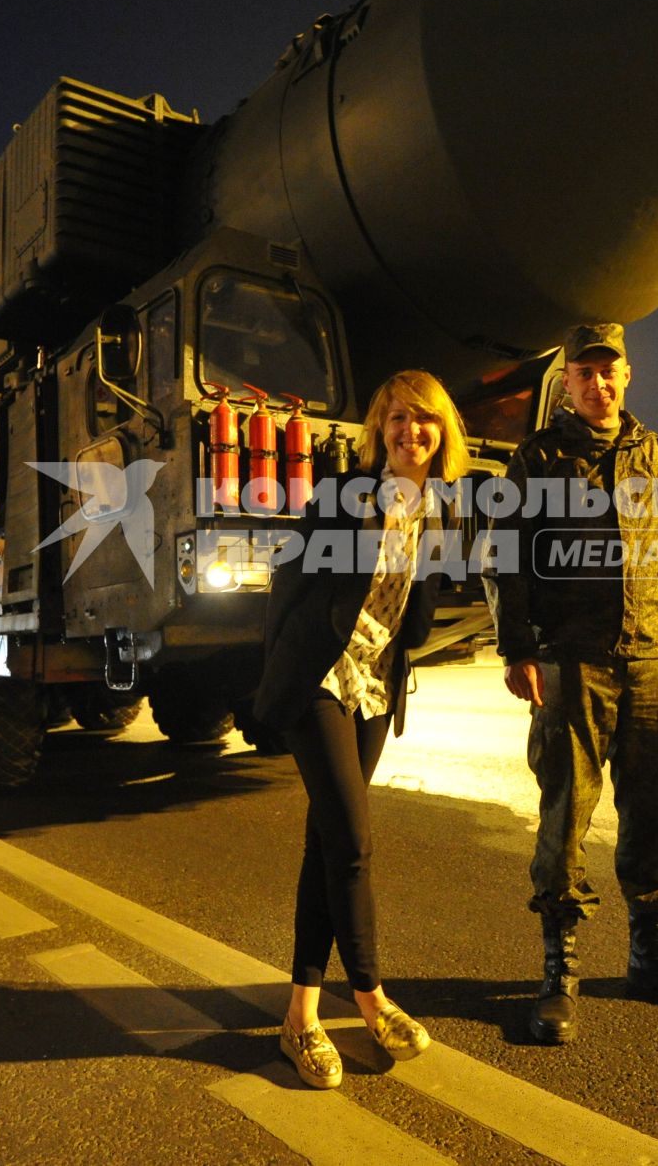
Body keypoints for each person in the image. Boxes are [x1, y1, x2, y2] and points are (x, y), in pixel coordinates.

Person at [486, 323, 658, 1046]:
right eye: (584, 373)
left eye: (609, 370)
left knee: (656, 812)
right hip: (573, 660)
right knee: (565, 817)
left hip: (652, 656)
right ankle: (559, 969)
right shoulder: (538, 459)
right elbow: (508, 558)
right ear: (566, 384)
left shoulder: (656, 454)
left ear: (629, 375)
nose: (599, 383)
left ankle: (649, 954)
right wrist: (516, 647)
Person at [254, 369, 469, 1089]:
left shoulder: (438, 513)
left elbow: (420, 610)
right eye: (401, 418)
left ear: (443, 435)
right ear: (380, 428)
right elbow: (289, 583)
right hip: (319, 676)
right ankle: (373, 997)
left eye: (427, 420)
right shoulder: (342, 496)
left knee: (326, 845)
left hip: (373, 687)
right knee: (352, 838)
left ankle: (300, 1015)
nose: (414, 431)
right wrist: (278, 672)